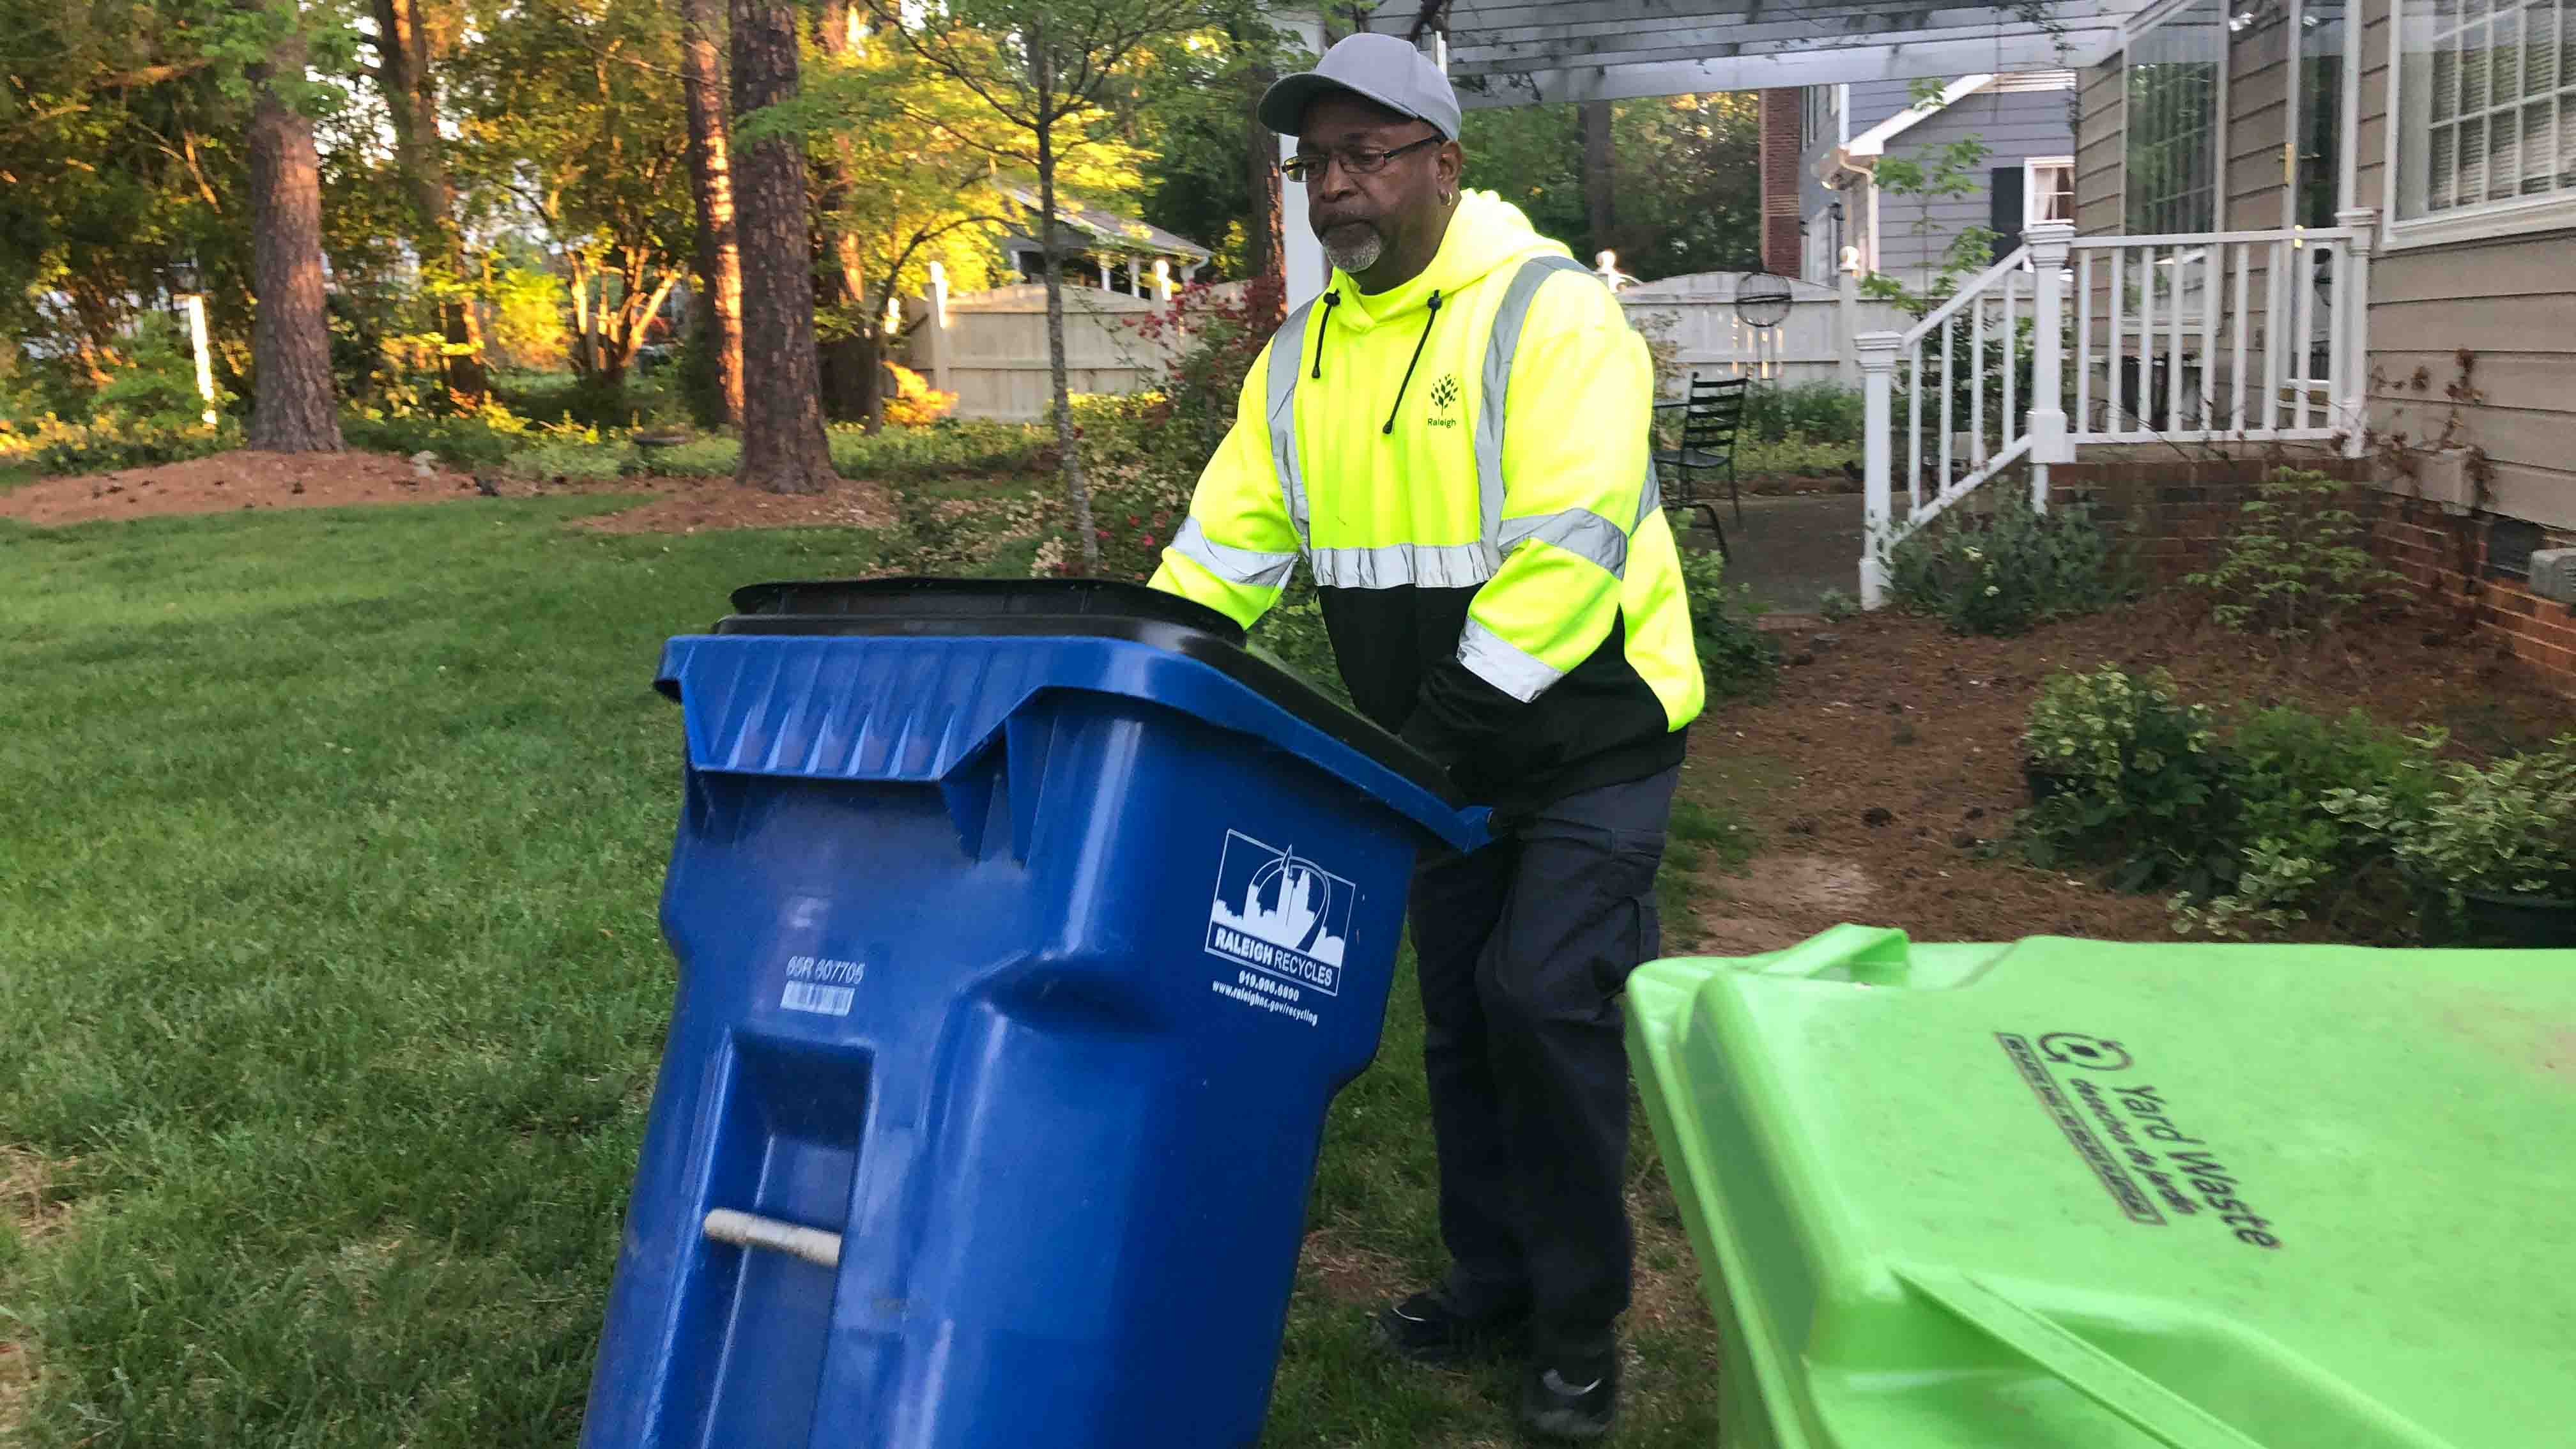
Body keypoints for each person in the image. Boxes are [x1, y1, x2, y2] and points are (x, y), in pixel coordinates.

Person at [1144, 32, 1705, 1442]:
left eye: (1367, 156)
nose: (1336, 189)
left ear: (1445, 164)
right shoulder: (1296, 365)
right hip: (1435, 761)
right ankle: (1493, 1279)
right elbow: (1221, 555)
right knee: (1458, 1019)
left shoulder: (1550, 316)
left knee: (1538, 999)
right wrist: (1131, 675)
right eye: (1315, 162)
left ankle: (1582, 1324)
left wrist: (1422, 748)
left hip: (1592, 742)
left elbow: (1565, 561)